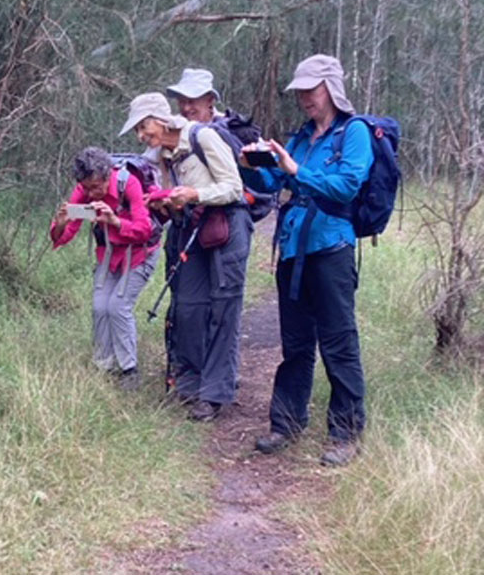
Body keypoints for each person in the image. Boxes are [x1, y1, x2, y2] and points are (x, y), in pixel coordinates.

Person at [239, 54, 373, 466]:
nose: (303, 98)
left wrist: (297, 170)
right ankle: (286, 423)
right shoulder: (299, 137)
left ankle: (346, 433)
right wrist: (251, 168)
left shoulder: (355, 133)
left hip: (331, 249)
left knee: (338, 342)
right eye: (299, 91)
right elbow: (273, 183)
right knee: (296, 343)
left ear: (331, 88)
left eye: (310, 90)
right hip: (293, 250)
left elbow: (348, 185)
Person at [119, 93, 252, 421]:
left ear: (161, 119)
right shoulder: (163, 155)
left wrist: (197, 194)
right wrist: (166, 203)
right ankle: (189, 386)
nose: (141, 136)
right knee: (188, 307)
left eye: (144, 126)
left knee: (223, 310)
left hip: (227, 228)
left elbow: (233, 188)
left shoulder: (202, 136)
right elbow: (174, 195)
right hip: (192, 228)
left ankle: (214, 394)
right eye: (137, 131)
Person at [50, 146, 160, 390]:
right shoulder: (83, 190)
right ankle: (104, 367)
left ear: (108, 174)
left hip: (140, 254)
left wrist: (115, 221)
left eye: (97, 187)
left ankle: (129, 370)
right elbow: (63, 235)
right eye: (87, 188)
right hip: (109, 255)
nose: (92, 193)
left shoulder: (128, 184)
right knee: (100, 306)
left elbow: (145, 229)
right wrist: (59, 225)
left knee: (118, 306)